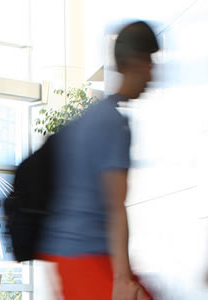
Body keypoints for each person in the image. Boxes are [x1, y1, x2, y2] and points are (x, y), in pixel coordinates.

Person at [36, 21, 157, 300]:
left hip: (68, 253)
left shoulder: (88, 118)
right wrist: (122, 280)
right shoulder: (112, 123)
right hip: (86, 256)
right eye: (149, 63)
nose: (152, 74)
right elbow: (115, 206)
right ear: (133, 63)